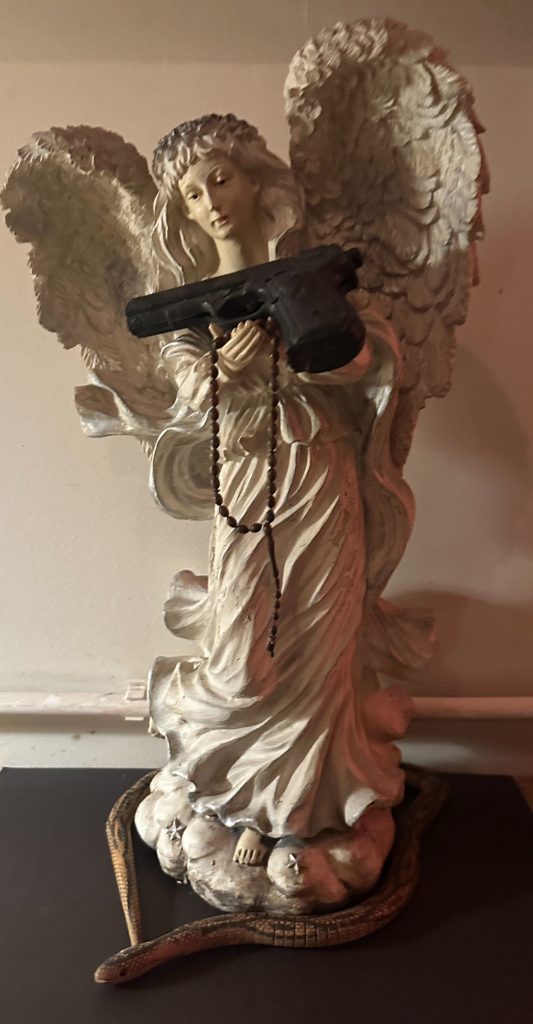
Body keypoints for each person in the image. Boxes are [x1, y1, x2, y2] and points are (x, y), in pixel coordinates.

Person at [146, 114, 416, 867]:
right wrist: (226, 367)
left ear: (255, 180)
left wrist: (305, 342)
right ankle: (231, 792)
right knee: (240, 649)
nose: (211, 202)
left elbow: (368, 362)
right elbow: (185, 392)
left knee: (322, 639)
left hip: (319, 471)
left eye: (221, 180)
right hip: (246, 477)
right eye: (193, 194)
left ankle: (296, 810)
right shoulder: (190, 305)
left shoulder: (307, 275)